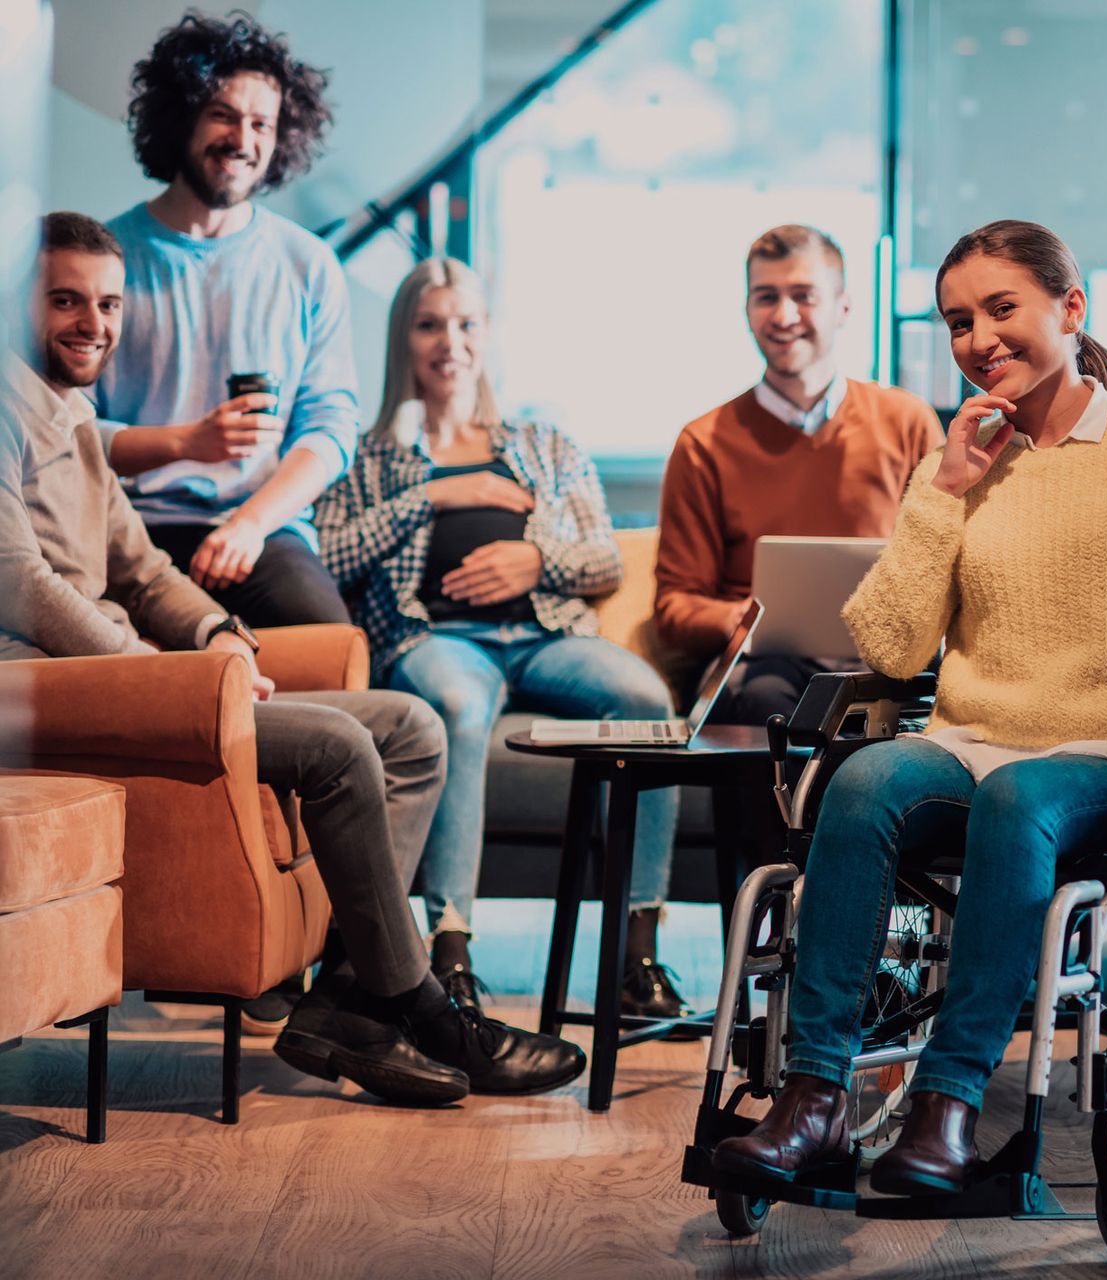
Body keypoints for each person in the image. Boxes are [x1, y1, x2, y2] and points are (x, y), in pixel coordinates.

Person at [713, 220, 1107, 1193]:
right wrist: (943, 492)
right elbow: (891, 645)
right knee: (865, 778)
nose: (979, 337)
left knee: (1017, 801)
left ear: (1069, 310)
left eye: (1002, 308)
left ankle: (948, 1108)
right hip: (967, 742)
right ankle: (815, 1099)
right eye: (960, 319)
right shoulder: (961, 461)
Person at [0, 213, 584, 1104]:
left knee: (413, 728)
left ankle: (350, 998)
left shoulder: (74, 416)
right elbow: (23, 586)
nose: (94, 323)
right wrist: (155, 669)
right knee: (341, 748)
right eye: (66, 300)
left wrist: (214, 636)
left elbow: (144, 567)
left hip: (133, 679)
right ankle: (422, 1005)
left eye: (109, 303)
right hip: (51, 693)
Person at [316, 258, 684, 1022]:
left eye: (464, 323)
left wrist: (535, 558)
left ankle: (638, 953)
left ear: (486, 336)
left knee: (648, 699)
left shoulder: (542, 443)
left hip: (545, 633)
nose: (449, 341)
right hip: (437, 640)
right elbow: (329, 557)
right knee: (454, 705)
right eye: (429, 325)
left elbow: (605, 558)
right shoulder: (367, 454)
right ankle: (450, 954)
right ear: (403, 341)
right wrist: (433, 494)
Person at [653, 224, 943, 907]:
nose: (783, 316)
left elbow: (943, 564)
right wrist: (755, 617)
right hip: (765, 673)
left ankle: (873, 964)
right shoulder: (704, 442)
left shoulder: (907, 422)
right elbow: (674, 606)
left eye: (803, 295)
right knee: (768, 713)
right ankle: (769, 945)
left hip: (884, 665)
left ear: (843, 306)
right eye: (766, 297)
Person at [91, 13, 357, 627]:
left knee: (332, 654)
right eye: (223, 114)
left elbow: (330, 425)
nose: (243, 138)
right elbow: (67, 430)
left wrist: (250, 524)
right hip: (124, 527)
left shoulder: (308, 265)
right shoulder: (102, 260)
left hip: (260, 530)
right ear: (180, 117)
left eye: (261, 123)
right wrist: (186, 443)